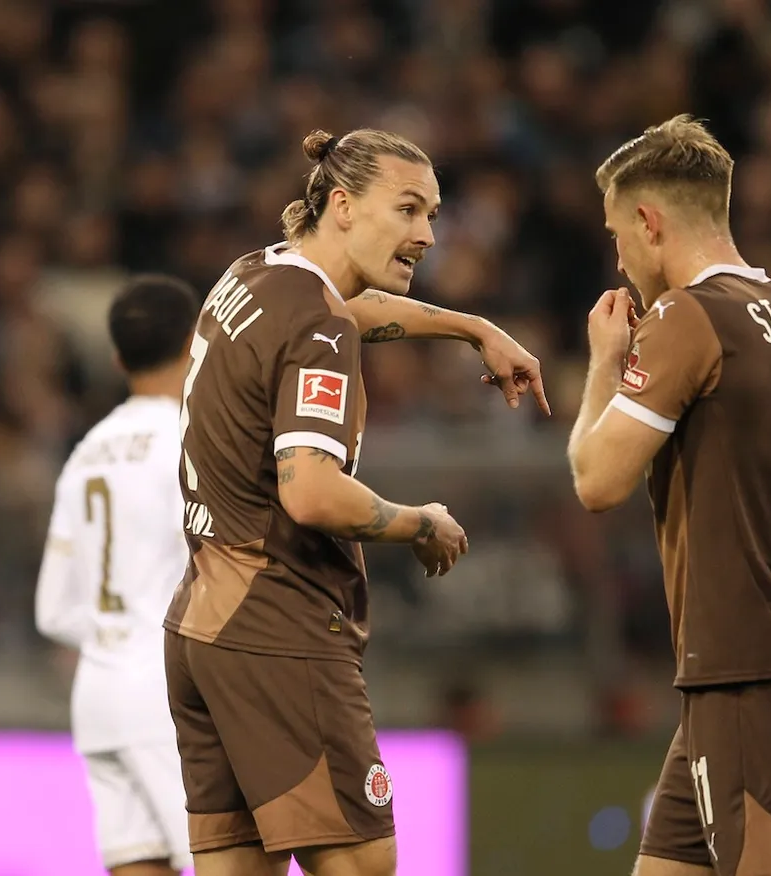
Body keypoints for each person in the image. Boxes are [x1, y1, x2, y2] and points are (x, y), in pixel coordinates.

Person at [162, 127, 547, 876]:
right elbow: (308, 490)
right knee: (362, 862)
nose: (427, 234)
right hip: (278, 625)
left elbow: (347, 312)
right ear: (342, 205)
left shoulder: (258, 273)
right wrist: (418, 523)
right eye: (407, 210)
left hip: (203, 626)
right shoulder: (317, 324)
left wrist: (470, 327)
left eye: (431, 214)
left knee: (238, 866)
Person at [567, 115, 771, 876]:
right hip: (767, 667)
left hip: (750, 672)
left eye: (617, 234)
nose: (618, 257)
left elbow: (595, 479)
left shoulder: (688, 318)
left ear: (649, 222)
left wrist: (603, 366)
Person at [35, 275, 201, 876]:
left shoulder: (86, 451)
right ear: (195, 342)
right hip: (165, 692)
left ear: (116, 357)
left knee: (139, 863)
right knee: (227, 864)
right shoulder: (191, 439)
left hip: (98, 697)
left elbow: (52, 611)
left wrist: (114, 633)